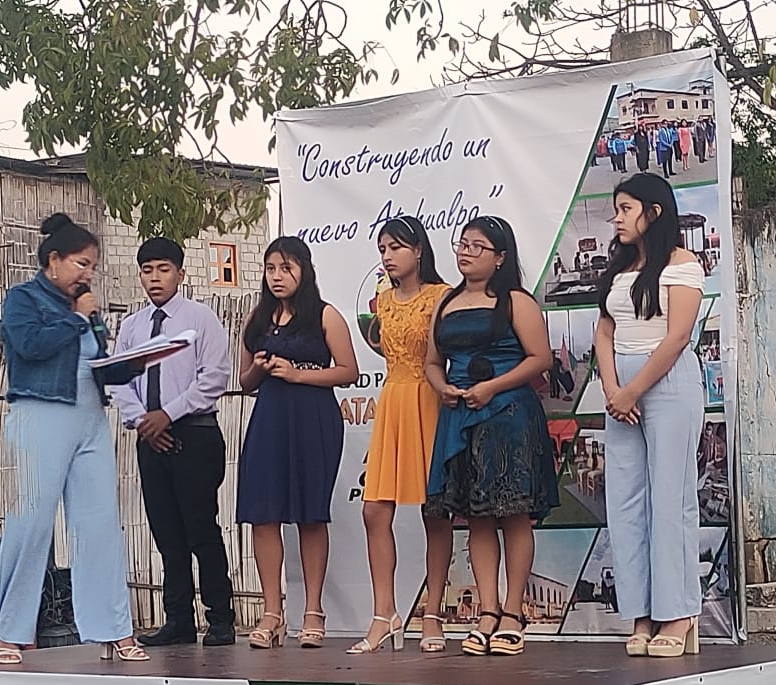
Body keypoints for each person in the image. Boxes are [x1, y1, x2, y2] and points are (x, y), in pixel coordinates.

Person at [0, 213, 149, 665]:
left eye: (93, 266)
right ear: (54, 260)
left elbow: (100, 364)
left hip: (89, 417)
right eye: (81, 264)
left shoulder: (86, 309)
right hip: (40, 414)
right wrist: (78, 319)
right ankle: (10, 634)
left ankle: (113, 630)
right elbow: (30, 346)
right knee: (32, 523)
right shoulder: (23, 298)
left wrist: (136, 363)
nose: (87, 274)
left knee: (100, 525)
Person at [424, 216, 559, 657]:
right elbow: (432, 363)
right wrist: (443, 387)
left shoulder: (516, 301)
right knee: (476, 517)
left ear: (500, 257)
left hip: (508, 415)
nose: (465, 252)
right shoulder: (446, 303)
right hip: (460, 416)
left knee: (513, 514)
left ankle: (513, 613)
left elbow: (540, 358)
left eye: (476, 246)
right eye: (462, 244)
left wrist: (492, 387)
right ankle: (487, 610)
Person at [592, 174, 705, 659]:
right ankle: (641, 613)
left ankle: (678, 614)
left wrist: (632, 390)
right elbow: (604, 331)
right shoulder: (620, 267)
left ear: (653, 212)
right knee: (625, 503)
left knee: (669, 499)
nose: (617, 218)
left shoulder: (682, 264)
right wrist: (612, 389)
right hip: (621, 391)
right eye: (616, 209)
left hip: (667, 385)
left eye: (626, 208)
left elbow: (677, 337)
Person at [110, 238, 237, 648]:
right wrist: (143, 421)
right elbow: (119, 380)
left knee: (200, 528)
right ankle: (178, 619)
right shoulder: (132, 326)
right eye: (147, 270)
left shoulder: (200, 319)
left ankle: (220, 618)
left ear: (180, 274)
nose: (155, 278)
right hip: (150, 437)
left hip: (194, 433)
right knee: (166, 533)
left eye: (163, 269)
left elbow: (214, 377)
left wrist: (169, 413)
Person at [236, 237, 359, 649]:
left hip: (313, 418)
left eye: (286, 268)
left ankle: (313, 611)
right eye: (271, 268)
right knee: (263, 513)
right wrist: (259, 368)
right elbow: (245, 382)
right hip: (269, 416)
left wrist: (298, 374)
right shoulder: (257, 319)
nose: (277, 276)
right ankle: (272, 613)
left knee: (310, 514)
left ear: (304, 270)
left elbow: (349, 372)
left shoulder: (325, 315)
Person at [351, 216, 453, 654]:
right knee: (374, 510)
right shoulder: (383, 300)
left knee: (435, 511)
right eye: (382, 249)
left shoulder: (442, 295)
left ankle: (432, 614)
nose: (387, 256)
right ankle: (384, 615)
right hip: (392, 399)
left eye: (395, 247)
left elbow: (443, 355)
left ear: (418, 250)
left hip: (428, 399)